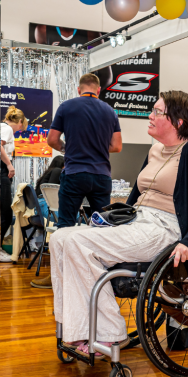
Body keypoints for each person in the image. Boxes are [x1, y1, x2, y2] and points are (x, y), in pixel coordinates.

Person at [49, 90, 188, 356]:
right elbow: (137, 195)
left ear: (178, 122)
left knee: (79, 242)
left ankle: (109, 334)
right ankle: (78, 328)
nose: (150, 115)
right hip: (138, 221)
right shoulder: (155, 150)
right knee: (59, 238)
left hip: (164, 228)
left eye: (157, 112)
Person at [42, 73, 122, 289]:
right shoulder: (110, 111)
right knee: (102, 227)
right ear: (98, 90)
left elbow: (51, 139)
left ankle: (60, 279)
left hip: (75, 173)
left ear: (79, 89)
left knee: (65, 226)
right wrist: (96, 148)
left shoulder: (67, 107)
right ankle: (102, 279)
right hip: (101, 176)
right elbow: (117, 146)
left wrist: (69, 148)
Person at [0, 106, 28, 258]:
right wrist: (9, 165)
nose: (18, 131)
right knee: (5, 213)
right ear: (20, 122)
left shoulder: (0, 126)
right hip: (2, 171)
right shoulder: (7, 129)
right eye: (20, 127)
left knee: (1, 213)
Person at [36, 155, 64, 220]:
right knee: (82, 217)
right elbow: (52, 193)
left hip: (38, 207)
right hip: (46, 207)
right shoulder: (58, 171)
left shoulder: (48, 173)